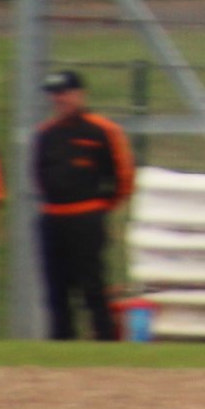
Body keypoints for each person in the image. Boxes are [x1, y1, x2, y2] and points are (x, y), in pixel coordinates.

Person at [32, 70, 135, 341]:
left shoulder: (102, 130)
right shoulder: (45, 133)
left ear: (80, 94)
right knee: (56, 288)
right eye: (55, 94)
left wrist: (101, 207)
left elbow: (123, 176)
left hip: (86, 217)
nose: (59, 99)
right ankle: (61, 343)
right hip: (52, 217)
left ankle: (104, 341)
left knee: (92, 285)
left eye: (64, 93)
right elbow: (38, 175)